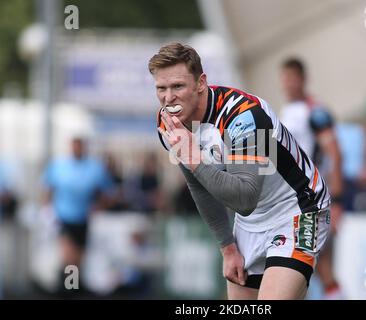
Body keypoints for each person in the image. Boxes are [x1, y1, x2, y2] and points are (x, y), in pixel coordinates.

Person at [150, 43, 331, 300]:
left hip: (297, 209)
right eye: (161, 88)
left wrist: (193, 156)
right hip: (251, 221)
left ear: (201, 83)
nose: (169, 99)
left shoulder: (245, 116)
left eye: (178, 86)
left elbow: (244, 199)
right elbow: (199, 186)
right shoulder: (167, 123)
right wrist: (227, 247)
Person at [279, 58, 344, 299]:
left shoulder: (315, 112)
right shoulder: (284, 112)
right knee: (305, 270)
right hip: (289, 201)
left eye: (293, 78)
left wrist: (337, 200)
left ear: (303, 79)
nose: (288, 84)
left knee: (311, 268)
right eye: (285, 78)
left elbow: (335, 154)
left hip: (311, 200)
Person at [42, 137, 111, 297]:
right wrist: (47, 211)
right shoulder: (59, 166)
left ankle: (73, 287)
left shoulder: (94, 168)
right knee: (69, 255)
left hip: (82, 218)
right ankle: (67, 289)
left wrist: (98, 206)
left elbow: (108, 192)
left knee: (79, 258)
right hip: (63, 217)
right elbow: (47, 189)